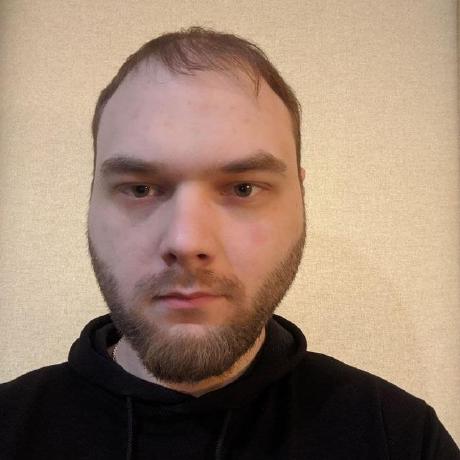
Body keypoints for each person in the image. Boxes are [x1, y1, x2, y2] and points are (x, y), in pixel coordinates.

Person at [0, 26, 458, 460]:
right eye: (139, 188)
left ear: (300, 198)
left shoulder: (400, 437)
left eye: (243, 188)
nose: (187, 241)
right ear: (91, 199)